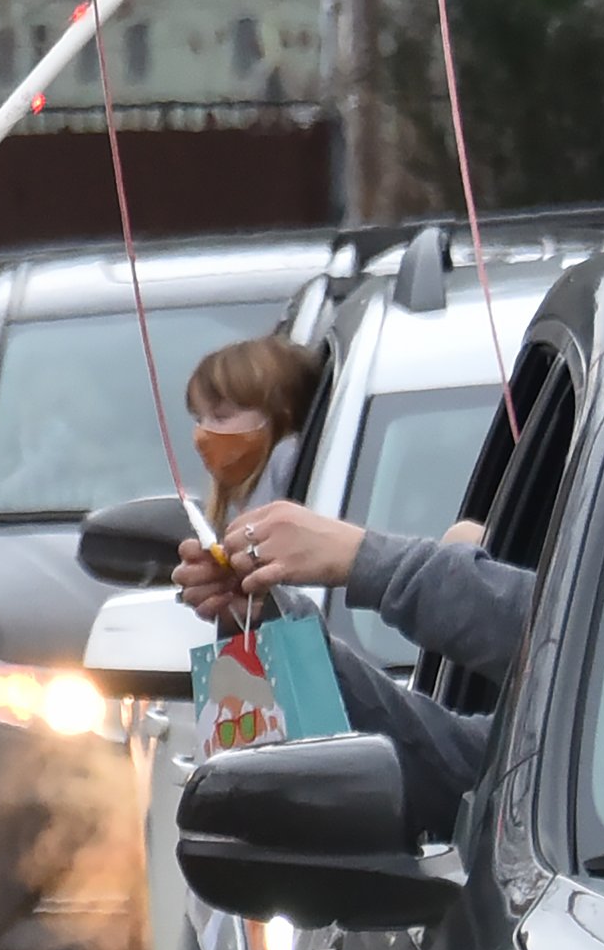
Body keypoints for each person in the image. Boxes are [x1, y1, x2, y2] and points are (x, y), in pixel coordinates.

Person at [173, 499, 535, 833]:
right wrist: (275, 624)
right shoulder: (541, 771)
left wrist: (363, 557)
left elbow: (562, 631)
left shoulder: (552, 795)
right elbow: (444, 758)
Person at [186, 335, 323, 529]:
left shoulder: (287, 460)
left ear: (280, 414)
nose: (201, 434)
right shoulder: (238, 497)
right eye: (199, 419)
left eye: (221, 417)